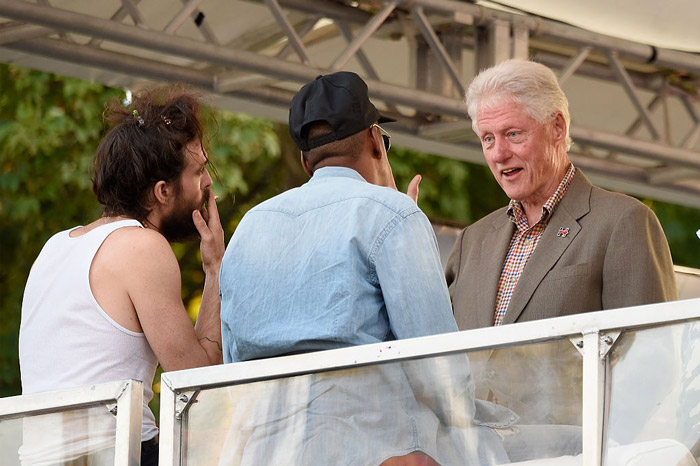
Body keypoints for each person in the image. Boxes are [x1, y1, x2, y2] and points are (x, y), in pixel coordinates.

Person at [218, 72, 511, 465]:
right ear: (375, 140)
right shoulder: (390, 214)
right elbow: (438, 372)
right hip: (376, 453)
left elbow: (233, 370)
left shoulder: (249, 227)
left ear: (307, 163)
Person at [18, 85, 224, 466]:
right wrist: (214, 270)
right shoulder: (142, 247)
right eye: (199, 172)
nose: (208, 183)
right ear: (163, 191)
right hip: (114, 456)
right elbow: (199, 385)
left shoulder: (55, 246)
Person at [445, 58, 677, 330]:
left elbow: (648, 354)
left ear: (557, 127)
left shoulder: (622, 222)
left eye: (513, 133)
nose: (499, 154)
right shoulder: (471, 241)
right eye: (488, 138)